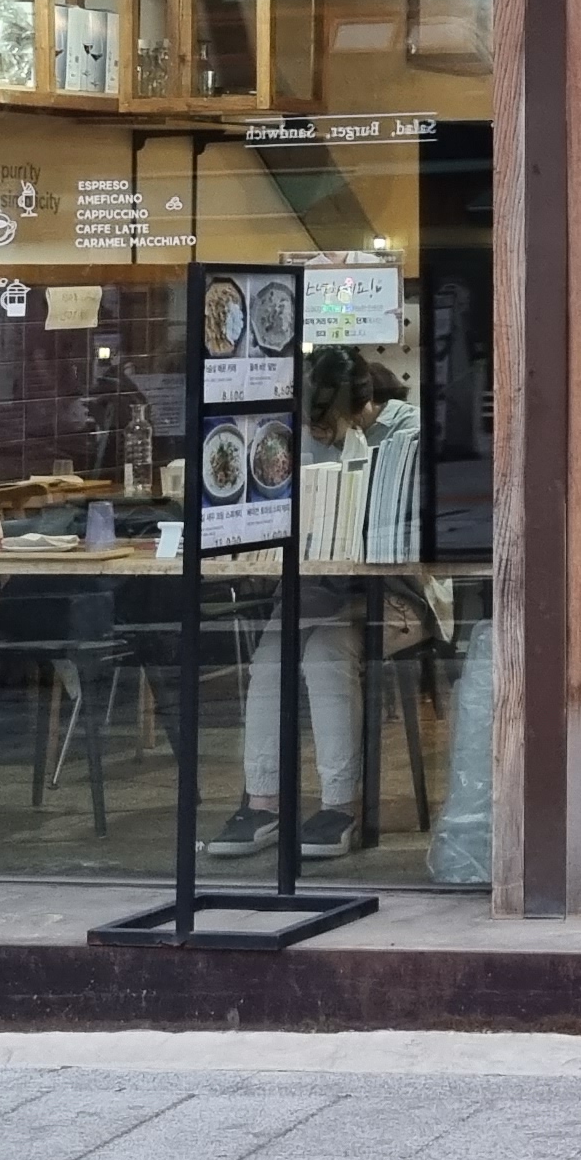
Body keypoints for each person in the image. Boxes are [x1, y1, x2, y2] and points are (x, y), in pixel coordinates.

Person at [204, 347, 413, 863]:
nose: (319, 435)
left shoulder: (407, 434)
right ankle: (263, 801)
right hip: (319, 583)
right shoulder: (294, 437)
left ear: (362, 406)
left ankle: (341, 804)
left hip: (397, 591)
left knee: (325, 654)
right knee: (270, 659)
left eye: (328, 426)